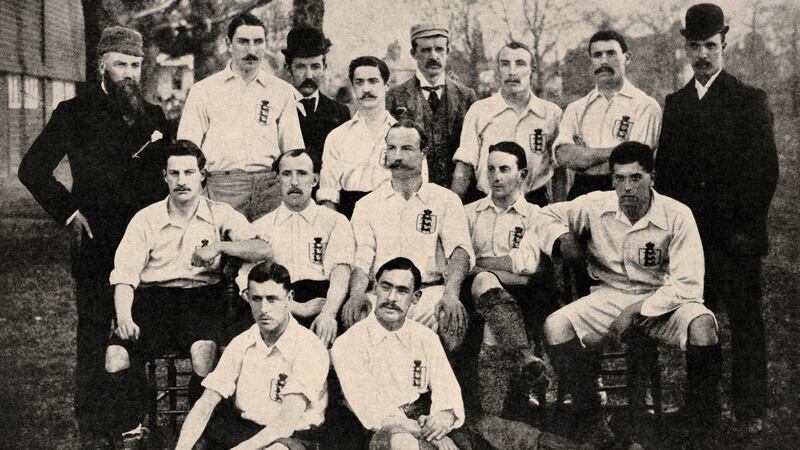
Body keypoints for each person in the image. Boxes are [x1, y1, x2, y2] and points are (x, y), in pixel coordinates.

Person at [16, 25, 170, 446]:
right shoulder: (73, 112)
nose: (128, 73)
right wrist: (68, 212)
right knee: (93, 334)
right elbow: (32, 170)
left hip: (143, 246)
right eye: (120, 64)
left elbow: (167, 181)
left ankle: (131, 422)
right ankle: (92, 428)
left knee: (134, 331)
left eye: (135, 65)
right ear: (101, 63)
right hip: (96, 242)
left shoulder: (153, 116)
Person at [514, 142, 720, 447]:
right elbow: (542, 216)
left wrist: (637, 309)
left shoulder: (677, 214)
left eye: (635, 178)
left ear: (653, 177)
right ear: (611, 179)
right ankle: (593, 419)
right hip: (610, 295)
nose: (626, 187)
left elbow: (688, 283)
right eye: (619, 178)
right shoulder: (595, 205)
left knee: (704, 326)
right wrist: (563, 237)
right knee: (556, 325)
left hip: (664, 297)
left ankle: (701, 428)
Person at [655, 3, 779, 434]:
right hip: (693, 242)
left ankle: (750, 409)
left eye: (711, 45)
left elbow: (764, 173)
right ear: (685, 48)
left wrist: (746, 231)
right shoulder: (676, 103)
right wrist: (675, 237)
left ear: (724, 44)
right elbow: (667, 176)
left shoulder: (749, 100)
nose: (703, 54)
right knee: (697, 321)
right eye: (695, 46)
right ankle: (701, 407)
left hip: (736, 240)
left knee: (745, 321)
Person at [103, 141, 270, 446]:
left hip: (202, 299)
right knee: (117, 356)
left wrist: (220, 246)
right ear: (164, 176)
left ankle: (199, 433)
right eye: (174, 173)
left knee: (203, 354)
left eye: (189, 172)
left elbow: (262, 248)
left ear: (202, 175)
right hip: (153, 300)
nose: (182, 180)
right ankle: (132, 433)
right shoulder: (145, 219)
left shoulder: (221, 214)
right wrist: (125, 317)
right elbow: (125, 276)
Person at [342, 120, 473, 352]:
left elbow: (460, 252)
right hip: (381, 293)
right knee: (359, 318)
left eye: (406, 148)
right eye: (391, 148)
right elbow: (362, 257)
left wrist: (451, 294)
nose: (397, 156)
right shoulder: (367, 205)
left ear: (423, 153)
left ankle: (438, 388)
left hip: (428, 293)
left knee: (450, 320)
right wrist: (356, 294)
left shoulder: (445, 200)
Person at [176, 262, 329, 450]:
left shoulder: (309, 348)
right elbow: (206, 403)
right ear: (247, 297)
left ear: (289, 298)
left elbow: (285, 423)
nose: (264, 309)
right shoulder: (241, 342)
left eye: (272, 299)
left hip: (292, 437)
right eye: (256, 299)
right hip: (245, 430)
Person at [178, 13, 305, 221]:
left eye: (258, 42)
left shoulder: (281, 91)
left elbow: (292, 150)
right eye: (243, 42)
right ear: (229, 43)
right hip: (222, 187)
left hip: (270, 188)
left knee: (268, 250)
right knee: (225, 250)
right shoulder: (204, 90)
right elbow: (188, 149)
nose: (251, 50)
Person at [332, 257, 465, 449]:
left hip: (422, 418)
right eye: (386, 287)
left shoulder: (425, 337)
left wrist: (443, 418)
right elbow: (371, 407)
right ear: (375, 288)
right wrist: (430, 434)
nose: (391, 298)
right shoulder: (348, 344)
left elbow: (447, 387)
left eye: (402, 291)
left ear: (416, 298)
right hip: (377, 429)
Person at [462, 142, 551, 415]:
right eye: (490, 169)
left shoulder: (536, 215)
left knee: (492, 323)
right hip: (473, 293)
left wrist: (480, 265)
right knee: (484, 285)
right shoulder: (469, 212)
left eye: (504, 169)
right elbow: (458, 262)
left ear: (522, 175)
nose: (496, 177)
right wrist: (500, 270)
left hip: (522, 296)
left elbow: (526, 266)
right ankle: (524, 358)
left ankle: (492, 415)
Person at [237, 149, 355, 347]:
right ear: (277, 181)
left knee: (335, 349)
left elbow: (340, 272)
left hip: (323, 299)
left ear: (315, 180)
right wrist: (295, 307)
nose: (294, 182)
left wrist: (328, 313)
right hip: (274, 301)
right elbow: (246, 280)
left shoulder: (335, 221)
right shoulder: (260, 227)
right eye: (286, 174)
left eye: (302, 173)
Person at [554, 30, 661, 199]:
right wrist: (617, 151)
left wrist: (585, 154)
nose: (603, 60)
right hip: (581, 192)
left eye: (611, 53)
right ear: (591, 62)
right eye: (597, 55)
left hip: (624, 193)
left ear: (627, 58)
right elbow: (564, 155)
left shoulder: (645, 106)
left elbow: (634, 163)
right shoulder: (576, 108)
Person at [452, 41, 562, 207]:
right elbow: (464, 169)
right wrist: (451, 212)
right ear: (498, 70)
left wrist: (559, 214)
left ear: (532, 69)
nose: (512, 72)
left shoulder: (551, 113)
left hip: (534, 203)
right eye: (505, 64)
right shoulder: (479, 110)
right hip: (486, 203)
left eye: (520, 64)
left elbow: (559, 170)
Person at [318, 56, 427, 219]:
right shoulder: (337, 137)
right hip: (349, 219)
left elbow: (420, 188)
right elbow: (328, 194)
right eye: (359, 82)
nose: (366, 89)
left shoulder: (407, 135)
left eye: (373, 81)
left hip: (394, 218)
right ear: (353, 87)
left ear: (387, 85)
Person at [386, 23, 477, 189]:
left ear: (448, 52)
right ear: (413, 53)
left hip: (458, 194)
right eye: (426, 50)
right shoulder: (395, 97)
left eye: (439, 49)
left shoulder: (466, 96)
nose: (433, 56)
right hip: (411, 191)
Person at [282, 26, 350, 168]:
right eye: (301, 67)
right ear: (288, 69)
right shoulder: (278, 108)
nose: (309, 75)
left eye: (315, 67)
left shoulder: (340, 113)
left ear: (324, 67)